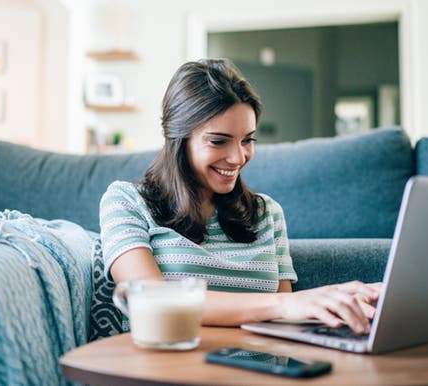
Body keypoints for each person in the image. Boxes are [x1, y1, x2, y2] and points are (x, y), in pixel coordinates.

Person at [99, 59, 380, 334]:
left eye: (247, 140)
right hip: (168, 372)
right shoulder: (126, 201)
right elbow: (149, 301)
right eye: (219, 141)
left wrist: (341, 303)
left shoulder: (267, 213)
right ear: (178, 139)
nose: (238, 157)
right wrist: (285, 303)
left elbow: (286, 321)